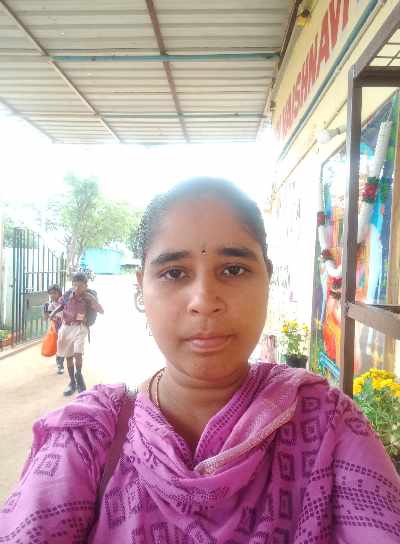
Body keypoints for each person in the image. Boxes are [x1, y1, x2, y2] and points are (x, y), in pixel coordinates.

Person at [1, 177, 399, 543]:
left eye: (234, 269)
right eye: (175, 273)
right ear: (141, 287)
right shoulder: (89, 439)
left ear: (266, 277)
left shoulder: (328, 426)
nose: (205, 301)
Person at [51, 272, 104, 396]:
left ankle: (78, 375)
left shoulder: (89, 297)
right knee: (68, 356)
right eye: (75, 285)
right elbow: (61, 305)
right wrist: (53, 312)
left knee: (78, 353)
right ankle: (72, 383)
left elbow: (101, 311)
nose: (77, 288)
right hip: (66, 327)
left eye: (80, 286)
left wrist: (92, 299)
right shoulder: (68, 294)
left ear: (86, 286)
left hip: (80, 328)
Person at [43, 284, 65, 374]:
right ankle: (60, 363)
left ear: (59, 293)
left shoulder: (64, 303)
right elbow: (46, 318)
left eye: (55, 293)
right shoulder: (49, 304)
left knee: (62, 345)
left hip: (65, 326)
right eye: (50, 293)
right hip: (55, 327)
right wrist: (45, 310)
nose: (52, 295)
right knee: (58, 345)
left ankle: (60, 363)